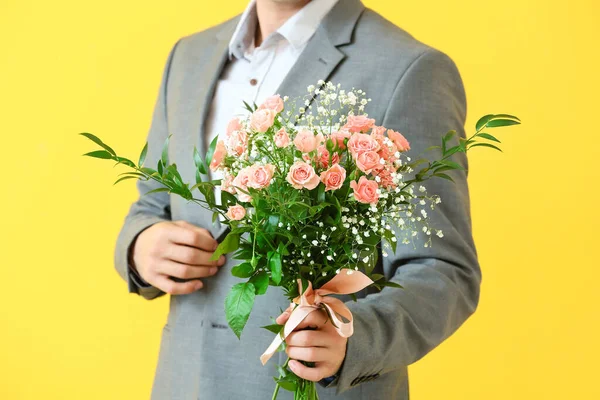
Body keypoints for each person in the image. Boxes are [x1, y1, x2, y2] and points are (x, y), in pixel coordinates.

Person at [114, 0, 480, 398]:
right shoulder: (188, 56)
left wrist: (354, 337)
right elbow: (152, 205)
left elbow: (443, 271)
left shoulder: (409, 67)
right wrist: (141, 246)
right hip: (182, 383)